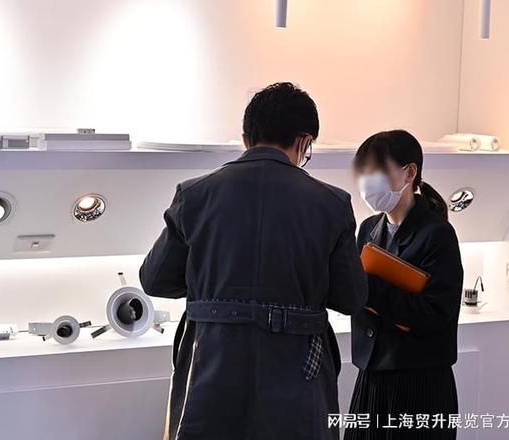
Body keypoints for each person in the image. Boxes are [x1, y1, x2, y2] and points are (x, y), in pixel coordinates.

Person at [140, 82, 368, 440]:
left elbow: (155, 280)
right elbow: (351, 298)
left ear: (246, 138)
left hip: (211, 367)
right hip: (299, 373)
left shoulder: (194, 195)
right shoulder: (331, 204)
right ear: (304, 141)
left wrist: (210, 283)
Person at [345, 130, 464, 440]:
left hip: (419, 381)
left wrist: (369, 287)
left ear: (410, 173)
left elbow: (437, 313)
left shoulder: (437, 234)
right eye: (364, 171)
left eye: (377, 170)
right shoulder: (368, 228)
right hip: (371, 374)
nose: (367, 181)